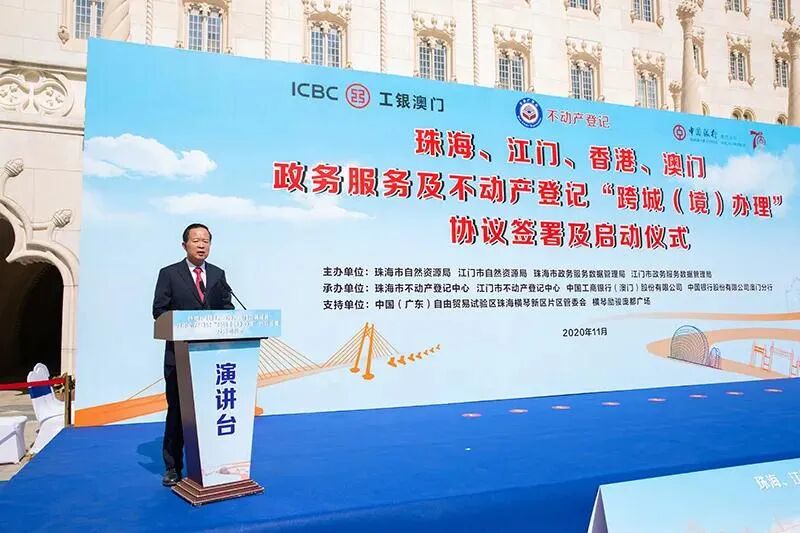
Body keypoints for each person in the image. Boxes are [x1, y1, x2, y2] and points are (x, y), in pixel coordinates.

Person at [152, 223, 235, 486]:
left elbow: (227, 308)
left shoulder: (218, 274)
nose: (201, 245)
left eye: (206, 241)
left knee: (212, 411)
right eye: (196, 240)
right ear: (184, 244)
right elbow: (159, 311)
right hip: (180, 357)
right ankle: (173, 467)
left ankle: (214, 463)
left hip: (211, 357)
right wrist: (189, 323)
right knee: (178, 412)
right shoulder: (169, 274)